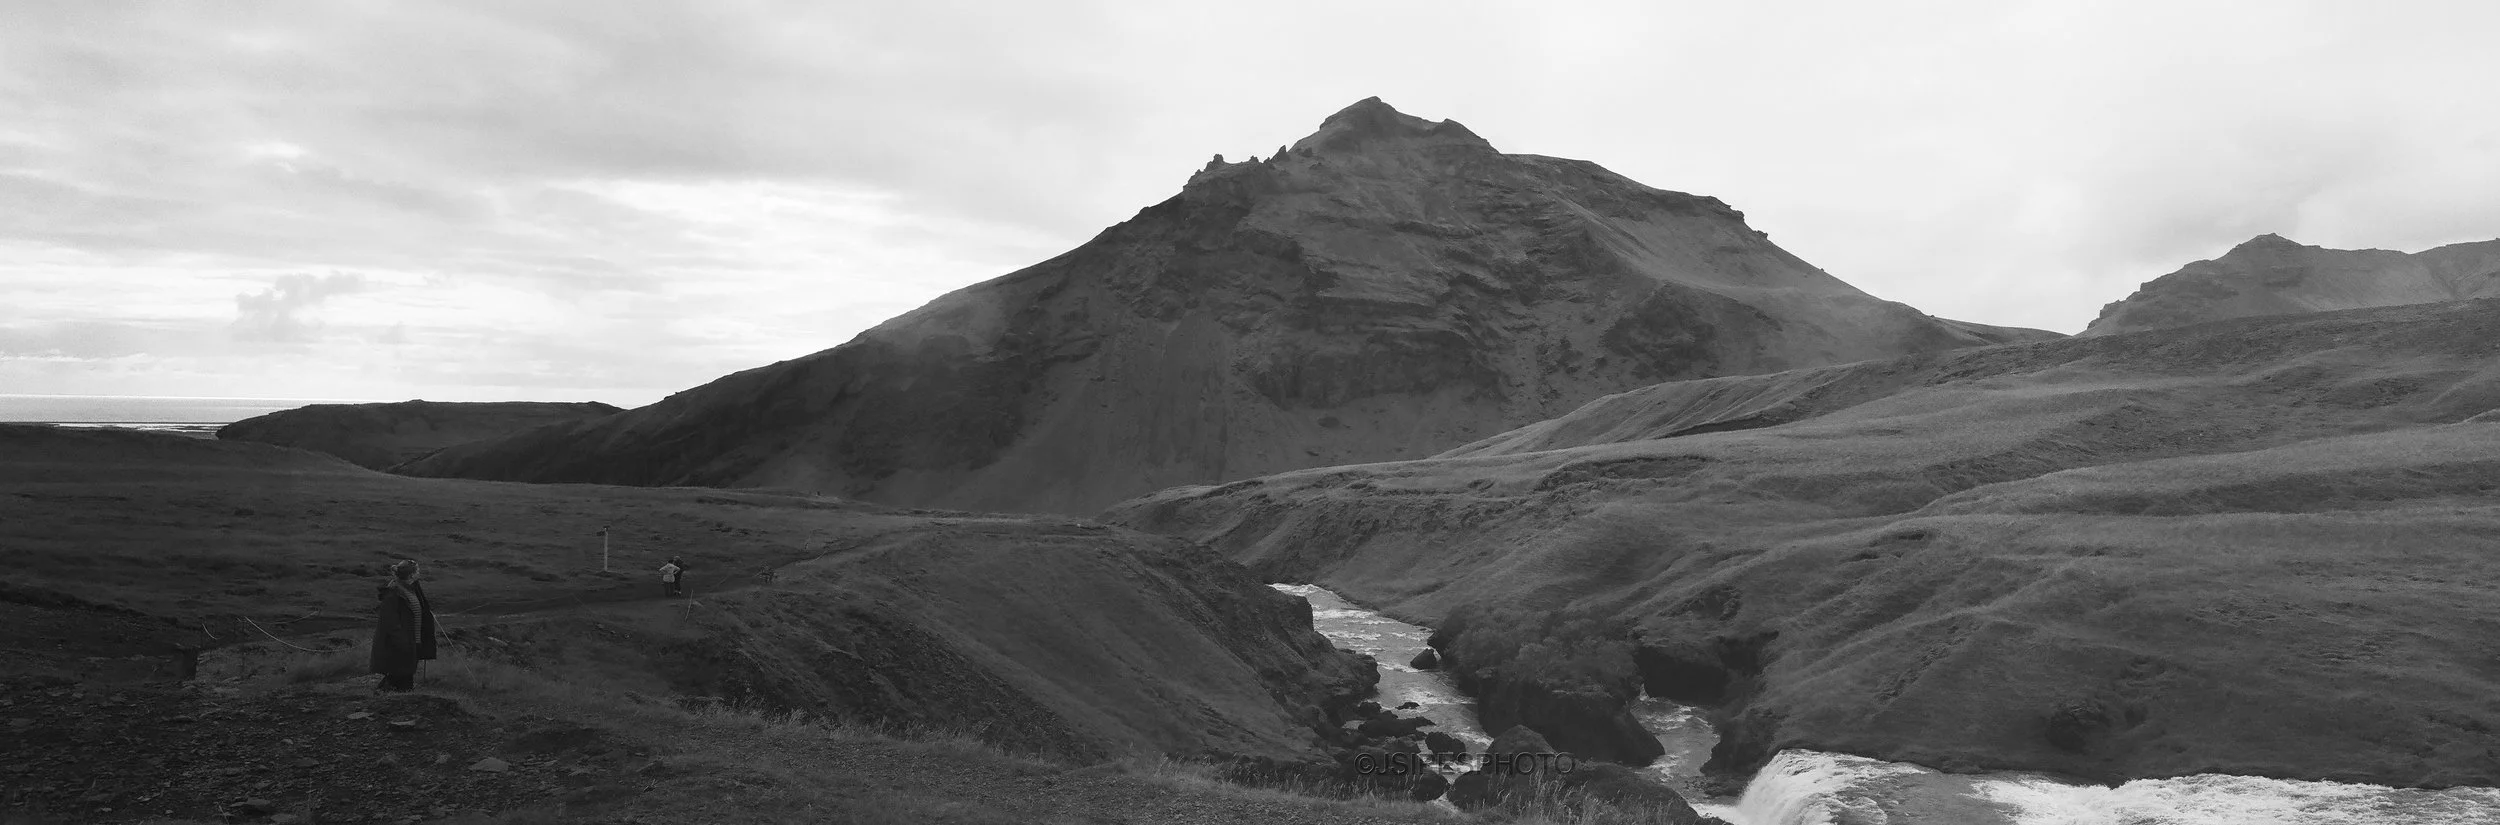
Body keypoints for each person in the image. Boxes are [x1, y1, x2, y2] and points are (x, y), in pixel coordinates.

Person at [370, 559, 439, 692]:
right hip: (400, 643)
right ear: (411, 575)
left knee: (406, 675)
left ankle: (397, 697)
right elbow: (390, 622)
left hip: (413, 641)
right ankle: (382, 695)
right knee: (399, 674)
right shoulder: (393, 593)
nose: (419, 573)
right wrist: (403, 642)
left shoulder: (412, 589)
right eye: (417, 570)